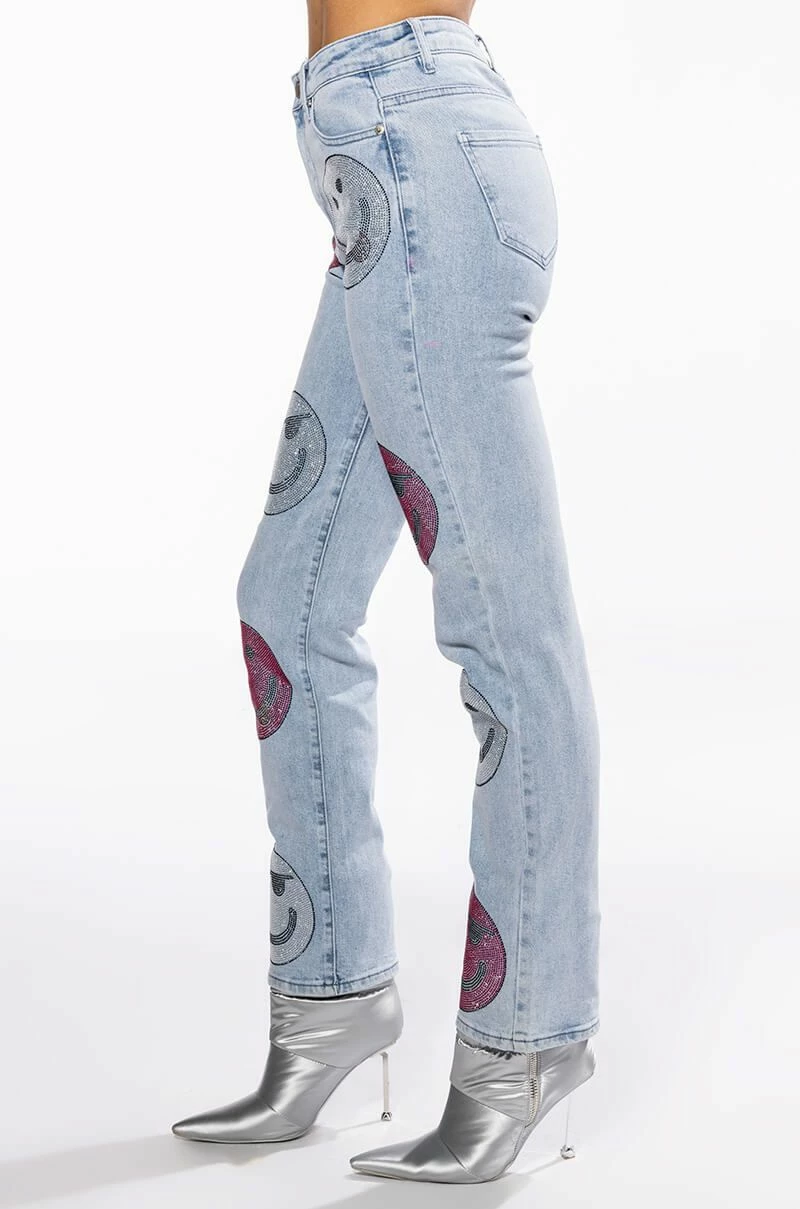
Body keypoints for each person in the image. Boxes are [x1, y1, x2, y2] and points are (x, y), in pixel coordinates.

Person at [171, 2, 601, 1184]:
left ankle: (526, 1041)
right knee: (288, 602)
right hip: (379, 166)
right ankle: (331, 1001)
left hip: (418, 148)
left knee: (506, 638)